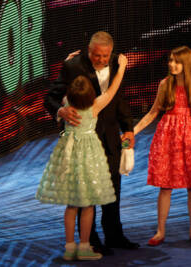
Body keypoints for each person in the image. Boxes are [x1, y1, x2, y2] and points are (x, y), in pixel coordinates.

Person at [44, 31, 139, 255]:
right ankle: (91, 239)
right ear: (89, 51)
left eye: (105, 56)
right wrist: (61, 110)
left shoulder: (116, 63)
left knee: (112, 187)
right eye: (97, 56)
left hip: (110, 135)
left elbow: (118, 97)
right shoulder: (73, 66)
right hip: (84, 140)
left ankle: (114, 235)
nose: (101, 60)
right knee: (87, 193)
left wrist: (128, 128)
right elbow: (51, 97)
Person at [133, 46, 191, 246]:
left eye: (176, 61)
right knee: (166, 186)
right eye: (170, 60)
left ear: (186, 64)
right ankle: (160, 231)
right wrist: (134, 131)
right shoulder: (165, 84)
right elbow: (153, 112)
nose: (172, 65)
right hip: (169, 136)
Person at [36, 66, 126, 260]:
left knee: (71, 205)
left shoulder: (66, 103)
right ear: (91, 94)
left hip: (69, 159)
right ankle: (84, 247)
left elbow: (57, 91)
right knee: (88, 205)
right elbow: (112, 89)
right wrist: (122, 68)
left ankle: (70, 248)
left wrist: (66, 63)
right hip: (88, 159)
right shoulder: (95, 106)